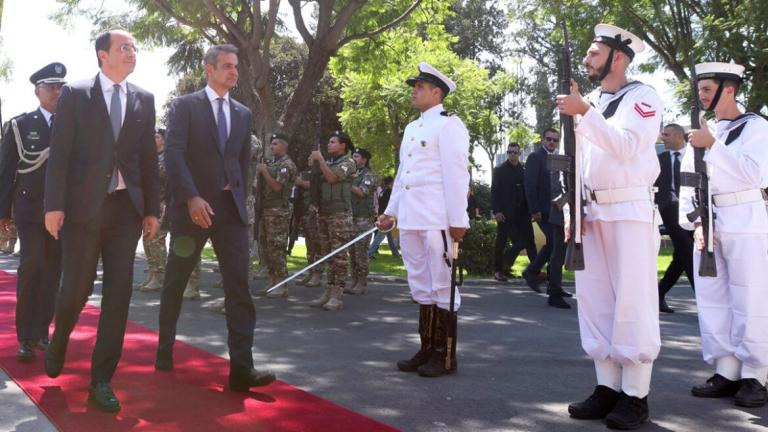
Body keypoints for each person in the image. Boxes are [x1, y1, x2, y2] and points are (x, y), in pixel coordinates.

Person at [43, 29, 161, 413]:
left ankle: (101, 381)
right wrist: (53, 206)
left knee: (119, 296)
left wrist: (151, 209)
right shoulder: (76, 94)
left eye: (134, 48)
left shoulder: (144, 98)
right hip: (82, 211)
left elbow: (147, 161)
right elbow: (60, 153)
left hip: (125, 210)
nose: (132, 53)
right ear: (102, 54)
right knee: (76, 289)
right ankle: (60, 336)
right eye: (124, 47)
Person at [556, 24, 663, 428]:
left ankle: (636, 396)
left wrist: (584, 111)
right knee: (597, 303)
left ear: (618, 58)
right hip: (591, 213)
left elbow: (626, 147)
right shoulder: (593, 101)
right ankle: (607, 387)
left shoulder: (643, 97)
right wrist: (573, 211)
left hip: (629, 211)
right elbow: (581, 163)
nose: (587, 60)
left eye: (594, 53)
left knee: (632, 304)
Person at [155, 44, 276, 392]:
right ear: (209, 69)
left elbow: (240, 163)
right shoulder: (185, 106)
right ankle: (164, 350)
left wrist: (240, 197)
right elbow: (174, 155)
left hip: (231, 211)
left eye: (236, 66)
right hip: (192, 212)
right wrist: (192, 197)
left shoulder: (242, 113)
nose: (233, 72)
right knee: (176, 282)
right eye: (226, 66)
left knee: (239, 287)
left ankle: (242, 370)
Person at [681, 62, 768, 408]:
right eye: (700, 89)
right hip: (710, 219)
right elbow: (688, 180)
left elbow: (755, 175)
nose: (701, 95)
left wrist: (712, 144)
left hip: (746, 217)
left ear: (728, 89)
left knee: (750, 298)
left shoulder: (757, 128)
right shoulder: (703, 130)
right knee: (713, 298)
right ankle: (727, 369)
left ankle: (755, 374)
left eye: (707, 89)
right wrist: (697, 222)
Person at [378, 62, 469, 378]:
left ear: (437, 92)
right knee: (421, 284)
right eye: (414, 86)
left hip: (437, 219)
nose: (414, 91)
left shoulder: (449, 125)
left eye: (420, 87)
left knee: (442, 284)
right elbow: (404, 174)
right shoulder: (412, 128)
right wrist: (391, 212)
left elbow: (457, 176)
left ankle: (445, 355)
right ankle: (427, 348)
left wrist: (458, 220)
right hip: (413, 218)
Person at [0, 62, 66, 362]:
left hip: (63, 212)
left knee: (53, 271)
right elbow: (6, 171)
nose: (56, 91)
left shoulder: (72, 124)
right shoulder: (20, 125)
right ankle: (25, 337)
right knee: (32, 267)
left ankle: (42, 331)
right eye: (51, 86)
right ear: (37, 91)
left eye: (60, 86)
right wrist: (3, 211)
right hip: (29, 209)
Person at [136, 128, 202, 298]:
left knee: (184, 243)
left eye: (157, 137)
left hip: (179, 203)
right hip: (160, 203)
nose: (153, 140)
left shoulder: (174, 156)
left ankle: (191, 284)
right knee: (154, 240)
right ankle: (157, 275)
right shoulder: (154, 157)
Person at [307, 131, 356, 310]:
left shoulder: (348, 163)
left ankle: (337, 294)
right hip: (325, 213)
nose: (329, 145)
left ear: (343, 145)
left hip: (340, 215)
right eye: (328, 142)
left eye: (333, 142)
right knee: (328, 255)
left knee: (339, 256)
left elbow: (333, 178)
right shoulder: (328, 163)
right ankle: (328, 290)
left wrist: (319, 160)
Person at [654, 123, 695, 313]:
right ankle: (703, 299)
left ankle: (659, 293)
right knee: (688, 251)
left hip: (693, 211)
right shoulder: (658, 159)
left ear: (679, 136)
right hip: (669, 210)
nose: (663, 138)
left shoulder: (696, 157)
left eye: (667, 135)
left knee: (681, 256)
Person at [255, 132, 297, 297]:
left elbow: (277, 187)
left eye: (275, 144)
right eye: (271, 144)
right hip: (266, 210)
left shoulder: (287, 165)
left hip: (278, 211)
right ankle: (272, 282)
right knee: (266, 248)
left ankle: (282, 284)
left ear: (284, 146)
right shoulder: (273, 163)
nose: (272, 147)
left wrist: (264, 172)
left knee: (277, 249)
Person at [522, 128, 561, 292]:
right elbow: (529, 185)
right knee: (553, 243)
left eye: (555, 140)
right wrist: (535, 209)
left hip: (555, 209)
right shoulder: (535, 157)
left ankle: (552, 282)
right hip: (542, 210)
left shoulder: (558, 158)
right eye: (549, 139)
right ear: (543, 140)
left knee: (556, 244)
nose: (551, 142)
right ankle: (532, 272)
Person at [491, 142, 536, 282]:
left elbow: (529, 191)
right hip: (505, 214)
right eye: (510, 152)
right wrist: (497, 211)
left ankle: (534, 271)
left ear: (519, 153)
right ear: (507, 153)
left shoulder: (524, 170)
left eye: (515, 152)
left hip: (523, 213)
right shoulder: (499, 170)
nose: (512, 154)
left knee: (529, 242)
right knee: (501, 242)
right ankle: (499, 271)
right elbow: (494, 192)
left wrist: (534, 210)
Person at [347, 147, 378, 295]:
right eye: (353, 156)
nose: (354, 159)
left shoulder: (369, 175)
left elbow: (361, 192)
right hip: (351, 217)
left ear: (364, 160)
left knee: (361, 253)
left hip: (364, 219)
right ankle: (354, 281)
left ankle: (362, 282)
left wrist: (348, 182)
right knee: (352, 252)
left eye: (357, 157)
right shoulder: (353, 174)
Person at [295, 167, 323, 286]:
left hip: (316, 212)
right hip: (305, 212)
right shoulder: (306, 172)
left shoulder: (322, 171)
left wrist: (301, 183)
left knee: (317, 245)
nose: (309, 158)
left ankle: (317, 274)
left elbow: (317, 186)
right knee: (309, 244)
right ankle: (311, 271)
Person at [368, 176, 401, 258]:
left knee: (390, 237)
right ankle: (369, 253)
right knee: (379, 237)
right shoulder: (390, 192)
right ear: (390, 183)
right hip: (386, 216)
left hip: (382, 214)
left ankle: (395, 253)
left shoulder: (382, 191)